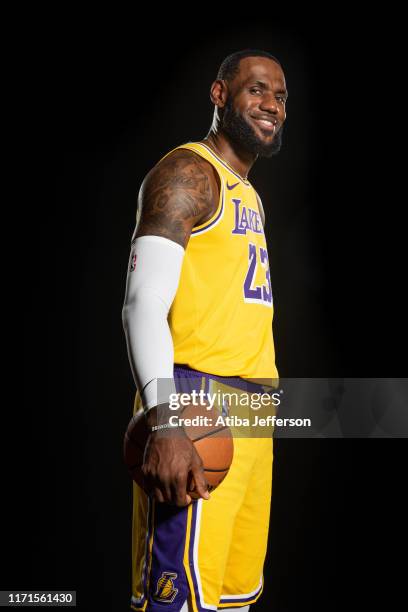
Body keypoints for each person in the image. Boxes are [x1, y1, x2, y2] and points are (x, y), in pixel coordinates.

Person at [122, 48, 288, 612]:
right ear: (219, 95)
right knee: (179, 601)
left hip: (253, 415)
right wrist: (164, 419)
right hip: (197, 410)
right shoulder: (189, 172)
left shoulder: (250, 195)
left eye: (281, 96)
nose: (272, 105)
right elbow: (142, 303)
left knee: (234, 598)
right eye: (257, 90)